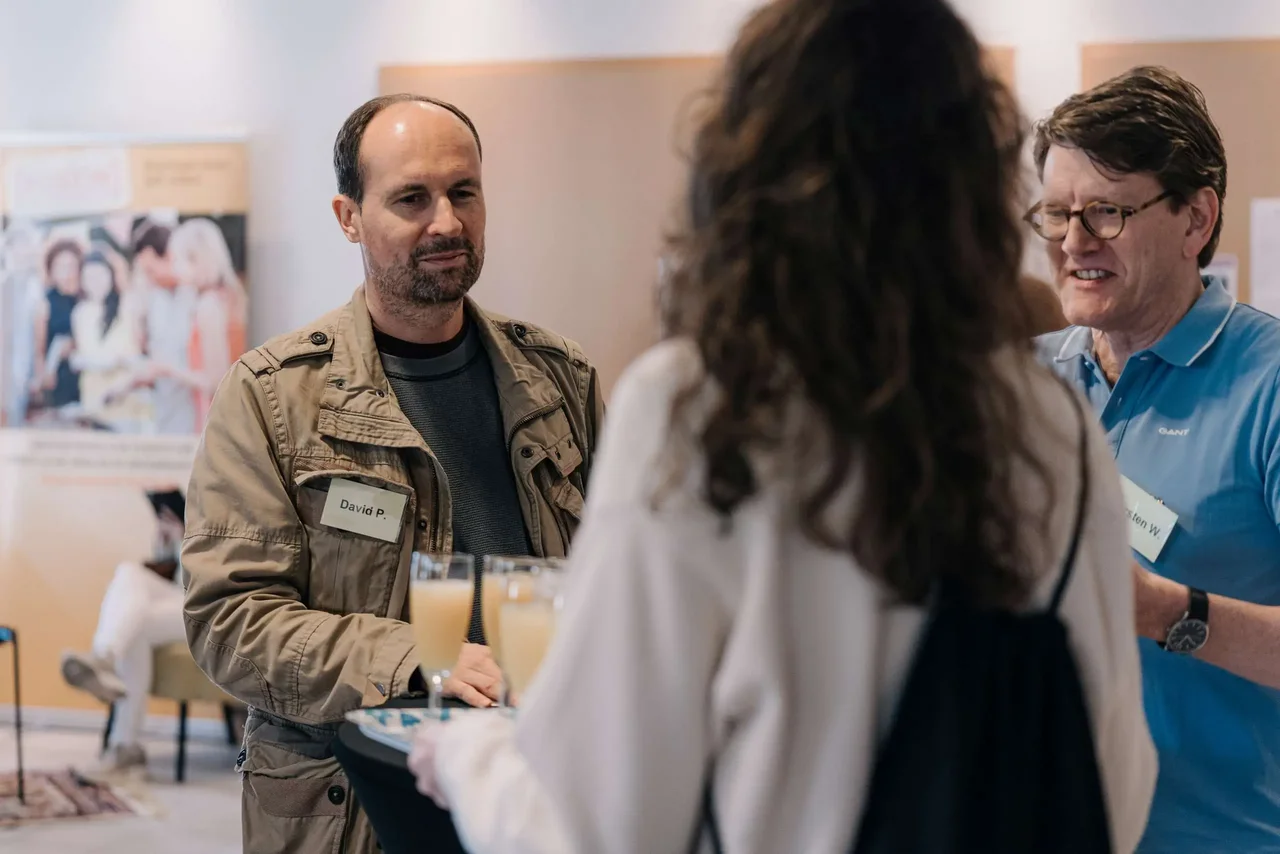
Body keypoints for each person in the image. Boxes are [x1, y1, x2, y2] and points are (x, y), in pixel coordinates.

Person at [406, 0, 1155, 851]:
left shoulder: (699, 411)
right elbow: (1113, 789)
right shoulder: (1054, 426)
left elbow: (598, 828)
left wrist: (469, 760)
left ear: (743, 175)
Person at [181, 93, 604, 853]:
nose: (446, 222)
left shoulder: (560, 380)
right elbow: (230, 620)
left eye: (463, 192)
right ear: (349, 217)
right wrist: (416, 656)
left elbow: (619, 580)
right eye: (412, 198)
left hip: (533, 791)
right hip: (353, 805)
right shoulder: (273, 396)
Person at [1031, 66, 1280, 853]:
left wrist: (1166, 612)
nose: (1074, 242)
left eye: (1106, 212)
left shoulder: (1269, 384)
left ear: (1195, 218)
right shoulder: (1021, 384)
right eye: (1056, 213)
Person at [60, 489, 188, 779]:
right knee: (129, 578)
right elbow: (169, 573)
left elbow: (196, 581)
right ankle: (126, 747)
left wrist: (185, 536)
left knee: (133, 621)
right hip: (173, 601)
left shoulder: (219, 519)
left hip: (202, 609)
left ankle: (104, 660)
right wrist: (166, 541)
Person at [132, 221, 199, 434]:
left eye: (150, 271)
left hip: (195, 411)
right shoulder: (155, 298)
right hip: (165, 409)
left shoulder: (196, 298)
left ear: (169, 256)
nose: (148, 278)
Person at [71, 250, 149, 430]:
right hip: (94, 400)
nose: (95, 282)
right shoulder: (80, 312)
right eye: (89, 277)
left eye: (100, 275)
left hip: (126, 397)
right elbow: (83, 354)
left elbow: (138, 353)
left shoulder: (128, 305)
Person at [29, 239, 83, 414]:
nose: (67, 272)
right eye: (60, 266)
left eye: (71, 266)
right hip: (58, 378)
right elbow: (39, 348)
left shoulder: (86, 297)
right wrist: (43, 374)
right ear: (51, 269)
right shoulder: (46, 302)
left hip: (87, 375)